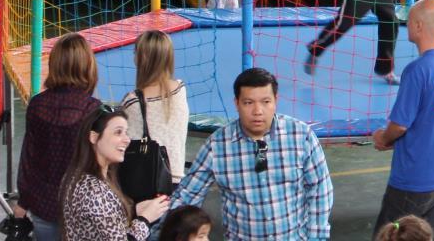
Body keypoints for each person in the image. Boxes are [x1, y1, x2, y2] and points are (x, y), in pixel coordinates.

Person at [170, 68, 333, 241]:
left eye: (266, 102)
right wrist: (147, 228)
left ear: (275, 101)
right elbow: (187, 196)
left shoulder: (301, 136)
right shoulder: (217, 146)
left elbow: (320, 190)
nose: (258, 111)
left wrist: (316, 237)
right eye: (248, 102)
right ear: (236, 103)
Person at [371, 0, 434, 240]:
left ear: (419, 26)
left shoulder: (417, 70)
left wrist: (383, 137)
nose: (406, 25)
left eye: (410, 21)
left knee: (388, 235)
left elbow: (400, 125)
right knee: (429, 234)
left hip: (416, 180)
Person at [15, 32, 103, 240]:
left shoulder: (37, 105)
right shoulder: (93, 109)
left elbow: (29, 160)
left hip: (45, 204)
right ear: (87, 66)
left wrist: (23, 202)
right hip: (82, 209)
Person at [59, 107, 170, 240]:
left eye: (126, 132)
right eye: (118, 132)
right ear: (94, 137)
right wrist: (145, 219)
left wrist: (134, 210)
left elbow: (102, 220)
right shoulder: (94, 190)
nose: (127, 139)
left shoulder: (77, 176)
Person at [120, 29, 190, 186]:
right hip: (177, 177)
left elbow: (125, 142)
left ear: (142, 58)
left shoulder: (133, 101)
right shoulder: (180, 88)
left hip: (149, 180)